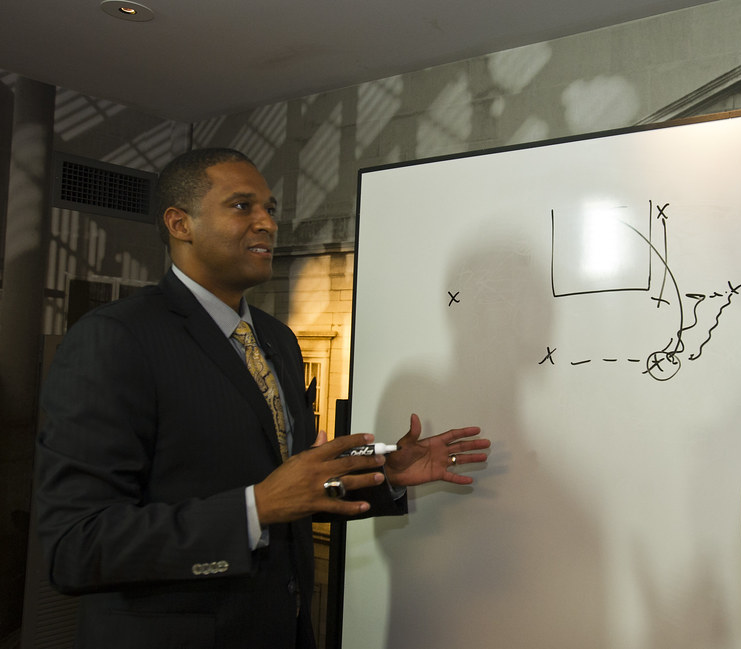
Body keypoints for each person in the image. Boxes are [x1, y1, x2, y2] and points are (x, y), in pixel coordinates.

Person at [33, 148, 490, 649]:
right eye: (241, 206)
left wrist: (382, 470)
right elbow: (74, 546)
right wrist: (253, 510)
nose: (267, 223)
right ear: (179, 223)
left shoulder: (276, 339)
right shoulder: (117, 339)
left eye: (270, 209)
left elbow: (289, 474)